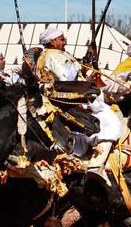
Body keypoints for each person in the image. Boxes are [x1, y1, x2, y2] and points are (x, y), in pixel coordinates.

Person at [34, 27, 122, 184]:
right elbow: (66, 77)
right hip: (66, 100)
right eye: (61, 39)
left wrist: (85, 62)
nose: (64, 41)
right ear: (52, 41)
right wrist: (82, 68)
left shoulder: (51, 55)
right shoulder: (52, 55)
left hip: (63, 97)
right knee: (110, 120)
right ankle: (96, 165)